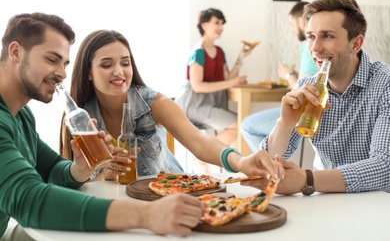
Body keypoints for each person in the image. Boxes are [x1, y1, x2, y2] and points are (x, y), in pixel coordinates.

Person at [0, 13, 282, 240]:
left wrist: (81, 169)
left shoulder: (22, 116)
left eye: (64, 63)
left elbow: (52, 171)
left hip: (170, 196)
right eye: (52, 60)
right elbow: (29, 199)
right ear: (15, 52)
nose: (61, 72)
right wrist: (142, 212)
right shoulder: (79, 115)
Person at [59, 29, 283, 181]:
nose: (119, 72)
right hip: (117, 207)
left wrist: (240, 161)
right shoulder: (80, 117)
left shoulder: (153, 103)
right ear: (88, 72)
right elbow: (76, 178)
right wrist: (103, 174)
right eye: (107, 65)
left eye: (125, 63)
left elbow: (198, 140)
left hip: (170, 195)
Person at [242, 0, 390, 194]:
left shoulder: (384, 85)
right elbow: (267, 163)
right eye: (311, 36)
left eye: (327, 36)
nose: (314, 48)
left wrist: (307, 179)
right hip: (324, 199)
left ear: (356, 44)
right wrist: (284, 124)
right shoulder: (306, 86)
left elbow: (384, 168)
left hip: (375, 204)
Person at [241, 1, 318, 152]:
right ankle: (273, 165)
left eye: (291, 24)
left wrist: (287, 75)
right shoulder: (317, 45)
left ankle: (269, 168)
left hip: (307, 113)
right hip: (312, 110)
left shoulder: (309, 46)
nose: (291, 30)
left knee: (247, 125)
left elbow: (300, 90)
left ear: (301, 21)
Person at [175, 8, 256, 148]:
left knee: (244, 124)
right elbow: (197, 86)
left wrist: (241, 57)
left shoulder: (219, 52)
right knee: (241, 125)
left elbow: (227, 78)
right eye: (217, 23)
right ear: (204, 25)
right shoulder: (198, 52)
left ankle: (210, 157)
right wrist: (233, 81)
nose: (221, 27)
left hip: (211, 104)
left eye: (222, 23)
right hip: (195, 105)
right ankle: (203, 154)